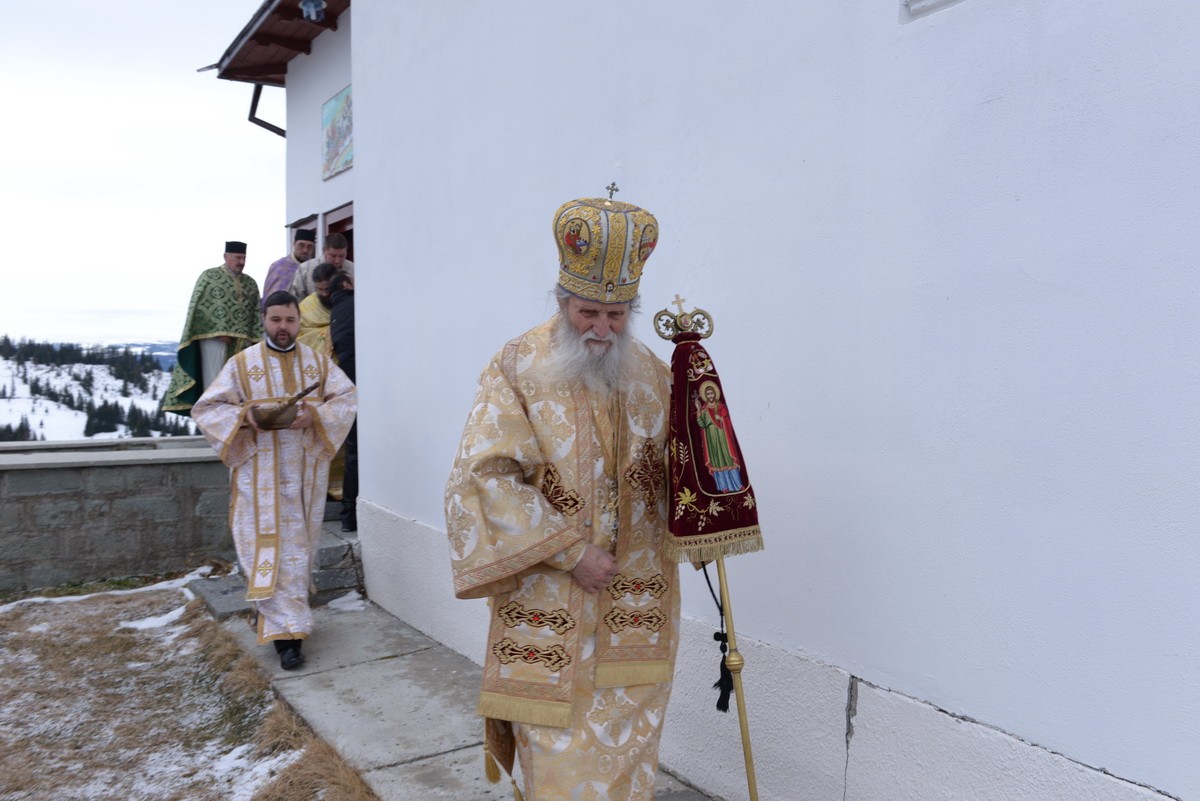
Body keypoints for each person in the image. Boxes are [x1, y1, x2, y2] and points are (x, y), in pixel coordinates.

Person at [444, 196, 678, 800]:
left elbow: (681, 471)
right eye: (588, 312)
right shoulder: (517, 365)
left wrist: (709, 512)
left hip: (635, 610)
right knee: (559, 764)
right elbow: (485, 474)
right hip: (551, 603)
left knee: (629, 761)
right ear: (562, 302)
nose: (601, 328)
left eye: (616, 314)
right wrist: (572, 552)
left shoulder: (655, 375)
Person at [191, 290, 357, 670]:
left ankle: (287, 631)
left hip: (303, 478)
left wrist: (314, 417)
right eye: (276, 319)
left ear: (299, 322)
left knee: (296, 553)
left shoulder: (317, 363)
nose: (283, 327)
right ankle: (284, 633)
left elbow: (347, 398)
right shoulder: (241, 364)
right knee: (263, 550)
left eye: (290, 320)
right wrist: (245, 417)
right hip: (258, 478)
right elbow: (207, 408)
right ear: (264, 320)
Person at [163, 241, 263, 416]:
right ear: (225, 257)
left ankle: (237, 422)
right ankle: (212, 420)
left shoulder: (250, 283)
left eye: (244, 258)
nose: (241, 262)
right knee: (215, 385)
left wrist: (255, 340)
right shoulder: (209, 277)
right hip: (214, 343)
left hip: (243, 346)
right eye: (237, 258)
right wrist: (217, 332)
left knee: (241, 388)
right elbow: (198, 311)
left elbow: (256, 314)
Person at [329, 271, 358, 532]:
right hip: (358, 385)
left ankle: (349, 516)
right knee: (357, 453)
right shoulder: (353, 305)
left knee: (354, 452)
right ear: (346, 284)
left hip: (347, 387)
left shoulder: (336, 309)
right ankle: (351, 516)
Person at [288, 232, 354, 300]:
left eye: (342, 256)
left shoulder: (354, 269)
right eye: (333, 256)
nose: (337, 260)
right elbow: (294, 297)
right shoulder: (305, 269)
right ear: (323, 250)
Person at [262, 228, 316, 308]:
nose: (305, 250)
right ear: (294, 244)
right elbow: (269, 298)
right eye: (301, 245)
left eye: (309, 247)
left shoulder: (315, 268)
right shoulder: (279, 266)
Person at [297, 262, 338, 355]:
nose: (324, 294)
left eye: (327, 289)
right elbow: (299, 336)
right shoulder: (305, 307)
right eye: (319, 289)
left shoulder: (347, 302)